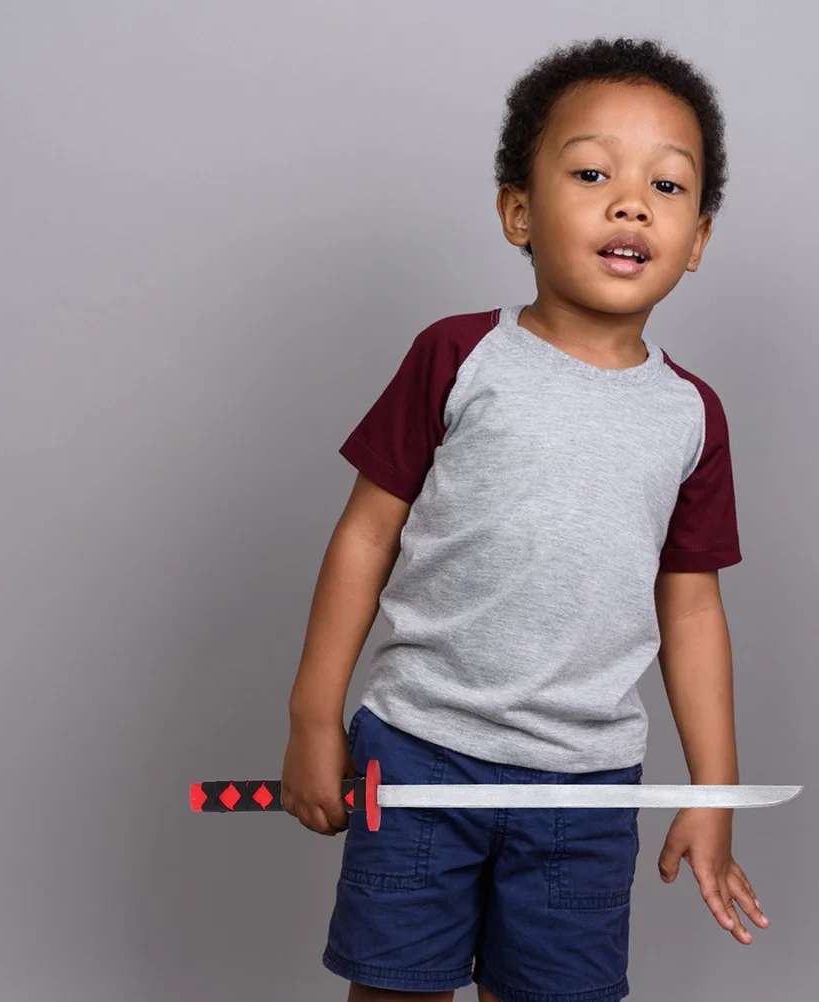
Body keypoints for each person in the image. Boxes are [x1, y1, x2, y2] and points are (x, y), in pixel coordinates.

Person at [281, 35, 769, 1002]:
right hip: (418, 754)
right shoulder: (457, 358)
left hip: (584, 788)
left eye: (668, 186)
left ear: (698, 240)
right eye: (591, 174)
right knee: (396, 988)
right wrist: (312, 717)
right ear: (518, 212)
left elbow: (691, 610)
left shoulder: (691, 415)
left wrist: (712, 794)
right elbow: (365, 538)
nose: (632, 203)